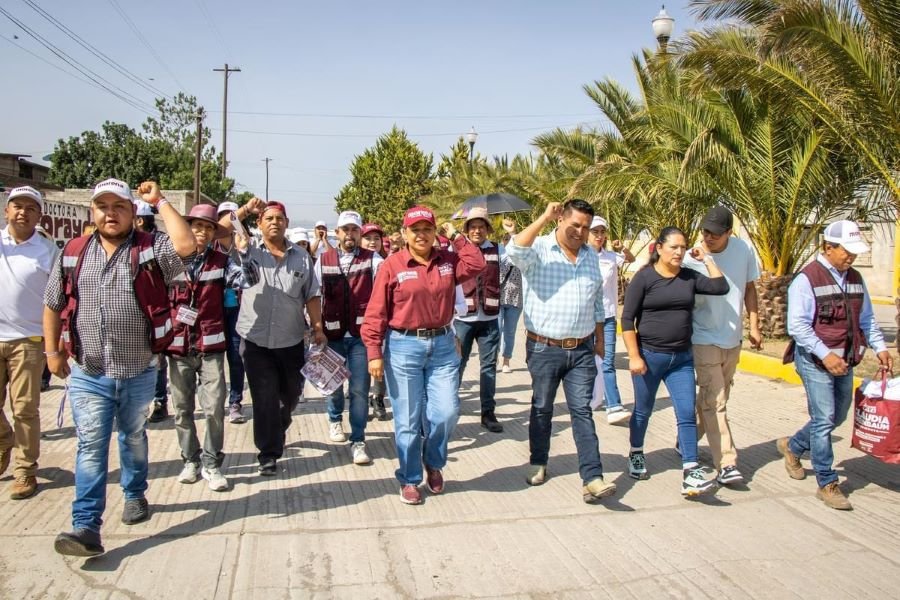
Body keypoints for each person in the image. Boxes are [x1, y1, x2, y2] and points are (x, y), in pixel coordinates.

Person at [44, 179, 195, 557]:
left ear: (132, 212)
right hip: (89, 371)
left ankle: (134, 493)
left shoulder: (150, 247)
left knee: (131, 436)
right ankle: (86, 525)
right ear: (93, 212)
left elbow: (186, 246)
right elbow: (52, 302)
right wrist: (52, 352)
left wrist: (159, 201)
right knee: (91, 445)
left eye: (119, 207)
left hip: (139, 368)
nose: (110, 214)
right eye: (102, 207)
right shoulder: (73, 252)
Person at [361, 205, 484, 505]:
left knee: (446, 412)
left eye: (427, 229)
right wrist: (374, 352)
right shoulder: (392, 265)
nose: (421, 235)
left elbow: (477, 263)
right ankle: (410, 478)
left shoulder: (449, 261)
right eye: (415, 230)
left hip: (442, 345)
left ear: (434, 233)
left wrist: (455, 234)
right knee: (408, 419)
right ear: (404, 234)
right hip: (403, 348)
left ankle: (434, 461)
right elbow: (376, 311)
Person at [506, 200, 617, 504]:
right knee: (542, 406)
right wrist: (543, 216)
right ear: (560, 221)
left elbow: (596, 300)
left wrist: (599, 339)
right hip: (544, 347)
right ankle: (539, 461)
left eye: (586, 227)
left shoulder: (590, 257)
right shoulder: (540, 248)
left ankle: (592, 477)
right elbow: (514, 251)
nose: (580, 232)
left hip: (581, 349)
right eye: (575, 226)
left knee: (582, 411)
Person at [779, 220, 891, 510]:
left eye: (854, 251)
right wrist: (826, 355)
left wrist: (880, 347)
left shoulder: (854, 277)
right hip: (816, 361)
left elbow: (865, 318)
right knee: (825, 417)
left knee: (837, 416)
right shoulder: (807, 279)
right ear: (828, 247)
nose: (851, 256)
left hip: (845, 360)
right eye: (846, 250)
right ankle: (827, 482)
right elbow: (798, 327)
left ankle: (793, 447)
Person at [620, 226, 729, 497]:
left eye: (683, 247)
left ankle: (690, 470)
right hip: (650, 357)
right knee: (643, 411)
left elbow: (720, 286)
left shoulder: (689, 277)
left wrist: (706, 258)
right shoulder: (644, 278)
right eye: (674, 247)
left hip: (681, 358)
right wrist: (634, 356)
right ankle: (635, 452)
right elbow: (626, 320)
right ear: (659, 248)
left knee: (685, 414)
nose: (680, 252)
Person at [225, 199, 325, 476]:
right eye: (268, 218)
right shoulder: (247, 250)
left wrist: (317, 327)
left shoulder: (302, 257)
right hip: (255, 339)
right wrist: (243, 210)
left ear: (287, 224)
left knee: (290, 395)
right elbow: (220, 232)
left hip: (291, 339)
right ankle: (268, 453)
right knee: (264, 396)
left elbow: (312, 295)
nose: (274, 223)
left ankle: (277, 425)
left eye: (279, 218)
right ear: (259, 223)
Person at [166, 204, 258, 492]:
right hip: (179, 346)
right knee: (181, 409)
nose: (202, 232)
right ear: (187, 228)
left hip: (211, 345)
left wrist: (245, 254)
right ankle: (190, 460)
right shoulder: (169, 260)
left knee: (214, 408)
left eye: (207, 227)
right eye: (196, 226)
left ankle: (211, 463)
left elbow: (250, 280)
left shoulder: (220, 261)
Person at [681, 206, 761, 486]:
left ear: (729, 232)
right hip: (702, 338)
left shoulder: (743, 251)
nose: (708, 237)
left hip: (733, 338)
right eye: (705, 231)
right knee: (716, 401)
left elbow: (750, 288)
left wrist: (754, 324)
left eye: (715, 233)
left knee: (716, 397)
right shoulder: (692, 258)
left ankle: (686, 438)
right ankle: (726, 463)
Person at [1, 186, 58, 500]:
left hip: (29, 339)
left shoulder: (47, 251)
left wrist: (56, 342)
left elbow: (59, 297)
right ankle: (4, 439)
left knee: (24, 408)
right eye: (16, 206)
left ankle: (24, 471)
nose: (22, 212)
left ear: (39, 215)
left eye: (30, 208)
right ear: (7, 210)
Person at [315, 211, 383, 463]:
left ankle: (358, 439)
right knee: (332, 386)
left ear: (360, 233)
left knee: (358, 389)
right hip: (331, 334)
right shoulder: (323, 260)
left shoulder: (373, 260)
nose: (350, 234)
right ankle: (334, 419)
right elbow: (314, 295)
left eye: (355, 230)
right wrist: (316, 328)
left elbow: (381, 296)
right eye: (345, 229)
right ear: (337, 233)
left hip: (360, 336)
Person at [454, 207, 504, 433]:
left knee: (489, 367)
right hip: (463, 318)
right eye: (472, 227)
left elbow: (516, 256)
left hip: (490, 318)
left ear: (487, 229)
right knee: (457, 365)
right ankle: (451, 405)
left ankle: (488, 412)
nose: (477, 231)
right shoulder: (457, 249)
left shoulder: (497, 249)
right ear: (466, 230)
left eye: (481, 227)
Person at [587, 216, 635, 425]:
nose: (599, 236)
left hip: (606, 316)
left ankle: (613, 405)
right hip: (584, 318)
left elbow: (631, 260)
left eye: (601, 232)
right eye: (594, 232)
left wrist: (623, 248)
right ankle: (588, 399)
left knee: (606, 362)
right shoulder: (580, 256)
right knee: (585, 363)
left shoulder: (611, 257)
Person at [135, 200, 170, 423]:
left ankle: (159, 401)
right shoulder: (125, 245)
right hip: (132, 314)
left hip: (156, 312)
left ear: (139, 220)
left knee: (157, 361)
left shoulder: (158, 244)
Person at [214, 201, 248, 424]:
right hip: (212, 312)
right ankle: (215, 402)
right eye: (225, 215)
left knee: (237, 358)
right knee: (214, 360)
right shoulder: (208, 245)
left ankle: (235, 401)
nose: (230, 219)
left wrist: (243, 248)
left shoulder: (243, 245)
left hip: (237, 310)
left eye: (232, 215)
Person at [359, 222, 389, 419]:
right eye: (368, 238)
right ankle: (360, 399)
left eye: (376, 238)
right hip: (357, 322)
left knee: (381, 361)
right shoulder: (352, 262)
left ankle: (378, 398)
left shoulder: (387, 263)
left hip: (381, 320)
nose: (372, 242)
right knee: (360, 364)